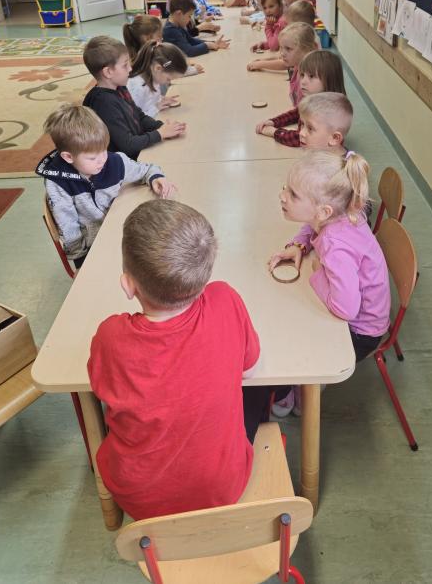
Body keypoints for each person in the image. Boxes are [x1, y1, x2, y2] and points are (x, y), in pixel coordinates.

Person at [87, 199, 262, 520]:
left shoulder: (111, 337)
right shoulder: (225, 300)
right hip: (222, 489)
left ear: (128, 285)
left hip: (140, 501)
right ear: (203, 278)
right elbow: (248, 369)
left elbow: (101, 390)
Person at [269, 149, 390, 360]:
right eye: (285, 187)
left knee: (286, 342)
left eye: (293, 194)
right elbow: (312, 224)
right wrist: (298, 245)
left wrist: (319, 272)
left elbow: (345, 310)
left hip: (359, 333)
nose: (282, 195)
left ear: (324, 211)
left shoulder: (336, 247)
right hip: (359, 312)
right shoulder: (342, 212)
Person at [37, 105, 175, 269]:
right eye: (92, 158)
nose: (102, 160)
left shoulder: (113, 161)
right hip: (94, 246)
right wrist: (81, 262)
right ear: (68, 157)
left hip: (119, 229)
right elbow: (68, 228)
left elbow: (145, 169)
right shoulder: (58, 183)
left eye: (104, 150)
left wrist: (155, 177)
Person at [82, 35, 186, 159]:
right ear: (108, 72)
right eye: (125, 65)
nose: (130, 68)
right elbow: (128, 145)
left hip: (134, 150)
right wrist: (159, 134)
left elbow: (139, 116)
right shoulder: (104, 103)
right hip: (119, 161)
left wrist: (160, 126)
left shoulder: (120, 87)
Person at [255, 43, 342, 147]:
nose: (303, 82)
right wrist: (273, 122)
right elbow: (298, 112)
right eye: (302, 75)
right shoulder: (315, 98)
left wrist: (273, 132)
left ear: (329, 79)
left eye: (311, 76)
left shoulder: (326, 112)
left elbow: (300, 138)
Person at [246, 0, 318, 73]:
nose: (285, 27)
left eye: (288, 24)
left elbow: (285, 64)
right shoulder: (306, 34)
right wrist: (265, 56)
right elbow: (283, 56)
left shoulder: (305, 39)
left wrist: (260, 64)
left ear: (299, 26)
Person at [127, 41, 188, 118]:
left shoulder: (154, 77)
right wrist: (156, 108)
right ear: (158, 68)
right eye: (168, 79)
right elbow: (134, 118)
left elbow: (150, 100)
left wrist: (161, 99)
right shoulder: (139, 87)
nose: (169, 82)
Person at [163, 0, 229, 57]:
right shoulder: (170, 30)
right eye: (189, 16)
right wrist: (208, 45)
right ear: (179, 14)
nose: (189, 19)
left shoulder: (177, 24)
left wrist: (213, 43)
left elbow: (191, 40)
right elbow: (189, 51)